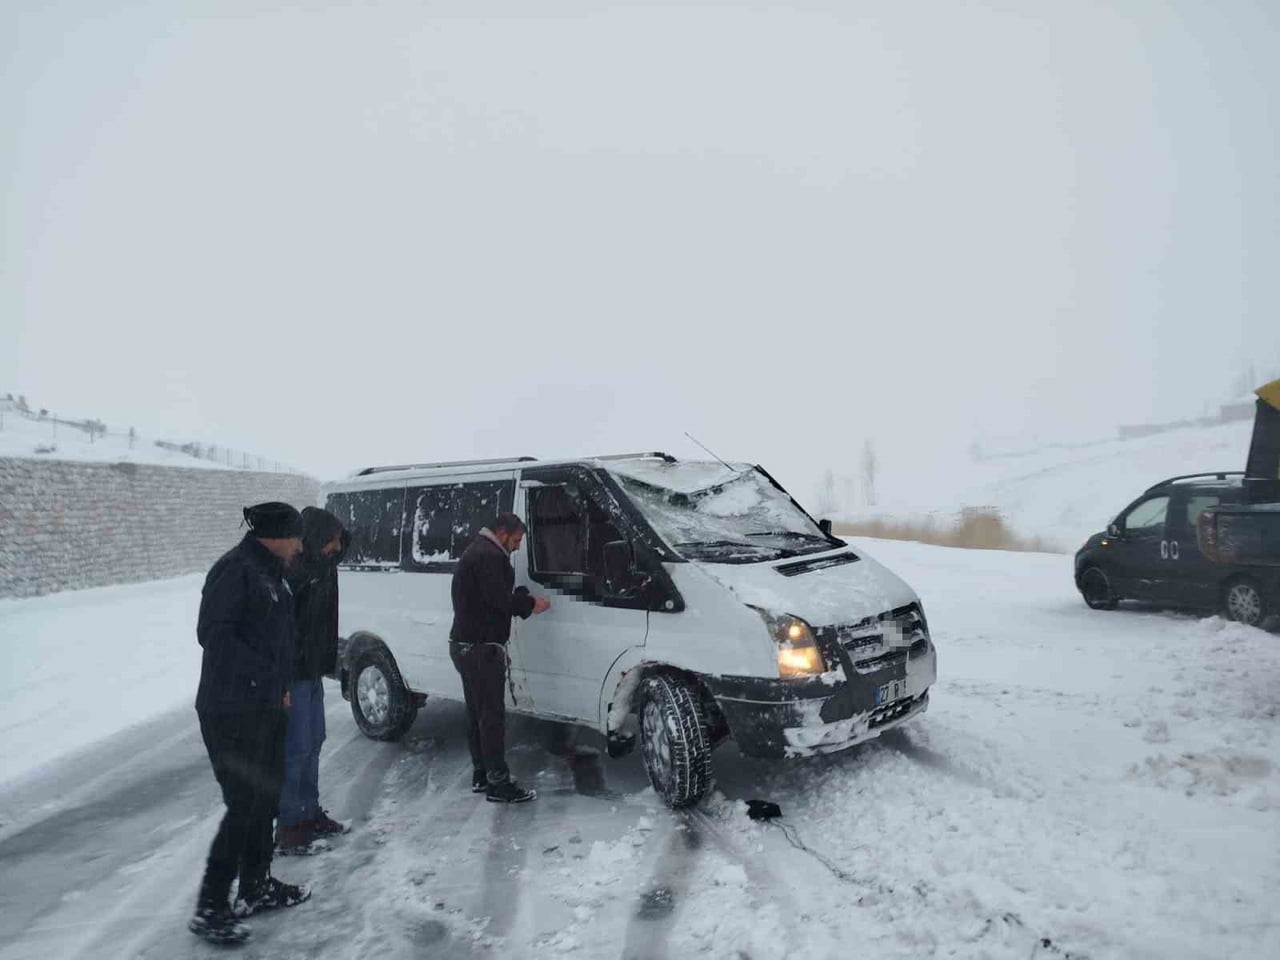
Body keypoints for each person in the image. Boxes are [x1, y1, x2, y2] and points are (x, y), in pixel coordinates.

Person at [189, 502, 313, 945]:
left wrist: (279, 687)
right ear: (275, 534)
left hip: (263, 708)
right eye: (295, 536)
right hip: (230, 712)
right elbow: (214, 636)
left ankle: (256, 886)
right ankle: (210, 907)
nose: (300, 545)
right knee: (243, 807)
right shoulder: (235, 570)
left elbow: (273, 638)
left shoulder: (271, 572)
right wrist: (265, 678)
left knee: (264, 800)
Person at [449, 512, 551, 803]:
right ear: (504, 533)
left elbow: (488, 596)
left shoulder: (477, 550)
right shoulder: (490, 555)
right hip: (482, 649)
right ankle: (498, 784)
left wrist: (516, 594)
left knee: (477, 714)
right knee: (491, 717)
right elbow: (499, 601)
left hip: (465, 645)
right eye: (517, 540)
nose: (518, 547)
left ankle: (481, 775)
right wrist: (531, 603)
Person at [276, 507, 350, 855]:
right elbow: (275, 632)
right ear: (317, 540)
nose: (338, 547)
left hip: (313, 670)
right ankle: (290, 829)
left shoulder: (324, 565)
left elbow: (343, 547)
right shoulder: (293, 573)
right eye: (332, 541)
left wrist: (340, 538)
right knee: (296, 751)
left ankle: (310, 813)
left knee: (315, 743)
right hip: (293, 675)